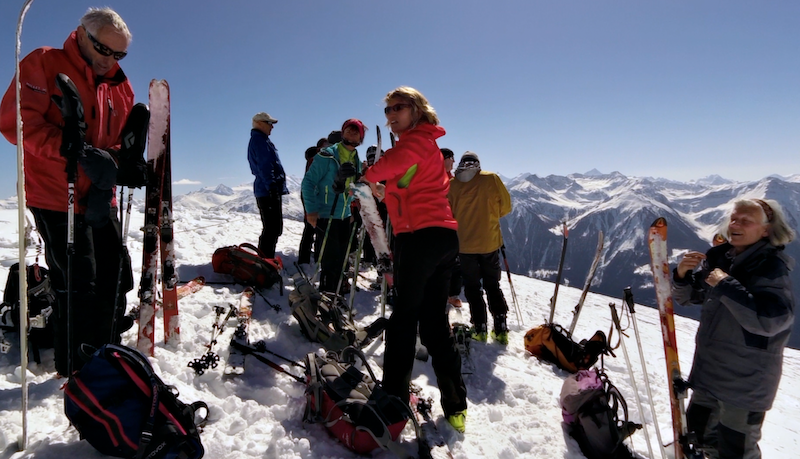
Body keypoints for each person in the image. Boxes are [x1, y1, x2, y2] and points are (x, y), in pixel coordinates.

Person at [0, 7, 139, 375]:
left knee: (115, 276)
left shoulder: (121, 86)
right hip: (56, 194)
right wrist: (76, 152)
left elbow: (116, 142)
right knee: (79, 283)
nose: (110, 61)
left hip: (100, 194)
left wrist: (123, 161)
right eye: (104, 50)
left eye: (119, 54)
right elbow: (16, 123)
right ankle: (77, 367)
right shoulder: (44, 63)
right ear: (81, 35)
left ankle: (108, 352)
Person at [361, 86, 468, 433]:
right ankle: (455, 406)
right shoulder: (427, 143)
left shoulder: (415, 140)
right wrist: (385, 190)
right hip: (442, 238)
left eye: (399, 108)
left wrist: (367, 177)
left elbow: (386, 167)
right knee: (435, 322)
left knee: (405, 318)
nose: (391, 115)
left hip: (419, 238)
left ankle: (392, 397)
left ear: (416, 110)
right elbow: (408, 184)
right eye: (388, 110)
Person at [672, 198, 795, 459]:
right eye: (734, 218)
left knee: (735, 451)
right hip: (709, 374)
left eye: (746, 221)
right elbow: (688, 298)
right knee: (699, 436)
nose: (735, 224)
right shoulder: (720, 258)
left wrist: (726, 284)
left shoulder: (771, 268)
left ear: (766, 230)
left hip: (744, 385)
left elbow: (770, 320)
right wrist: (682, 276)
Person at [447, 152, 512, 344]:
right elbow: (506, 207)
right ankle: (500, 328)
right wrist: (490, 214)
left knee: (473, 287)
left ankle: (479, 327)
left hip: (465, 245)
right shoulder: (491, 179)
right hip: (489, 242)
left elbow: (448, 212)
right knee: (492, 285)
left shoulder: (452, 185)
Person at [301, 119, 365, 293]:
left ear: (361, 137)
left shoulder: (356, 158)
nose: (351, 133)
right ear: (342, 133)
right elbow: (308, 183)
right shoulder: (326, 156)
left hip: (343, 215)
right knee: (330, 260)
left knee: (341, 259)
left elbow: (351, 187)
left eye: (356, 131)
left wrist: (351, 207)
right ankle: (326, 294)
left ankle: (335, 293)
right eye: (348, 130)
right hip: (326, 215)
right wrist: (311, 211)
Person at [248, 112, 287, 258]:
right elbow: (265, 166)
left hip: (266, 189)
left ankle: (265, 259)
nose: (272, 127)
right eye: (269, 123)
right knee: (272, 229)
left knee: (272, 228)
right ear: (259, 123)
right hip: (267, 190)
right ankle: (265, 261)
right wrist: (271, 187)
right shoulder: (260, 141)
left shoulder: (261, 140)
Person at [297, 139, 327, 266]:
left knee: (310, 228)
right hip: (315, 197)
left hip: (310, 196)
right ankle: (314, 258)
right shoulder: (318, 158)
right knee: (315, 228)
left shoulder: (313, 158)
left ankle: (305, 258)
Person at [440, 148, 463, 308]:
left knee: (455, 261)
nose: (453, 162)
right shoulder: (436, 178)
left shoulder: (453, 180)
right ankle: (445, 293)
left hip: (452, 225)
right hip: (439, 225)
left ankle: (451, 294)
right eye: (451, 158)